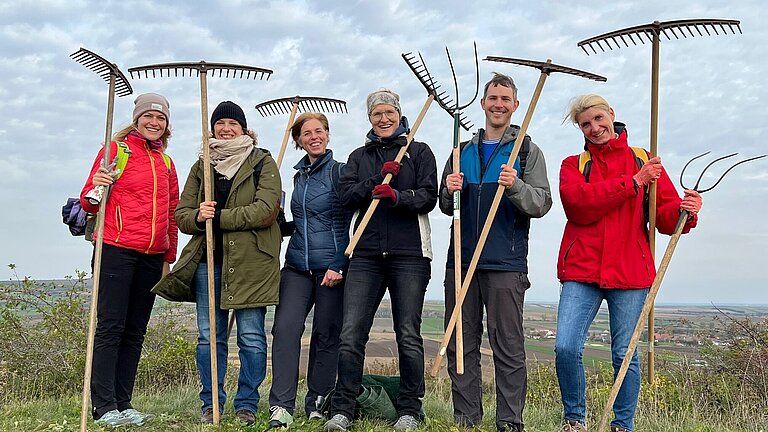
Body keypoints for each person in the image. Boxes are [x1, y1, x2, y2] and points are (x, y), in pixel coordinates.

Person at [554, 94, 703, 432]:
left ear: (611, 114)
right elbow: (579, 206)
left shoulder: (643, 160)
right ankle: (574, 420)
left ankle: (622, 425)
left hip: (631, 271)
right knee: (565, 346)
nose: (594, 128)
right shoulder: (573, 165)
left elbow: (663, 219)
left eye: (598, 118)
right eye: (585, 124)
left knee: (625, 354)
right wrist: (633, 183)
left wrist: (685, 211)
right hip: (582, 269)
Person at [152, 101, 282, 425]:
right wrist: (198, 216)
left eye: (232, 124)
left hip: (253, 264)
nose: (225, 129)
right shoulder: (202, 166)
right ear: (212, 129)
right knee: (210, 338)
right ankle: (212, 405)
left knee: (251, 337)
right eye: (219, 123)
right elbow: (181, 214)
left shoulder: (261, 161)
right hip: (208, 263)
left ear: (243, 128)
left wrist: (218, 217)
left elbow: (265, 210)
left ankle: (247, 405)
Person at [440, 72, 552, 432]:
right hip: (461, 261)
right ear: (484, 103)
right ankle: (467, 420)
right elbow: (447, 206)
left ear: (515, 105)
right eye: (493, 98)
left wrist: (516, 185)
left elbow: (542, 203)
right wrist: (449, 188)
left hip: (505, 263)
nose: (498, 104)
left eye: (505, 99)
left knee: (507, 347)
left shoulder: (526, 152)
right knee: (461, 343)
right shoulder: (462, 152)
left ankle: (509, 422)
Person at [323, 89, 438, 432]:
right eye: (377, 114)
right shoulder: (358, 156)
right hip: (365, 255)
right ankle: (343, 409)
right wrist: (376, 181)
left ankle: (410, 410)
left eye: (389, 112)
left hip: (410, 255)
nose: (384, 119)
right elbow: (345, 196)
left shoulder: (418, 152)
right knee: (351, 333)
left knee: (407, 333)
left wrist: (398, 195)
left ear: (399, 115)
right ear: (370, 119)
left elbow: (429, 196)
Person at [80, 92, 179, 427]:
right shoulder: (115, 151)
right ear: (137, 120)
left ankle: (124, 403)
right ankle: (103, 406)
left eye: (161, 118)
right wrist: (98, 185)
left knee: (135, 330)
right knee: (110, 328)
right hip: (115, 248)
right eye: (148, 117)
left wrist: (168, 255)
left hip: (152, 255)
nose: (154, 122)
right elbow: (89, 203)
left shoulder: (167, 163)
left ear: (166, 125)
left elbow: (173, 215)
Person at [267, 112, 352, 428]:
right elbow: (302, 223)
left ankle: (317, 401)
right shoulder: (296, 177)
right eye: (307, 133)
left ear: (328, 135)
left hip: (330, 268)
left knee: (326, 335)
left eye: (319, 131)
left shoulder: (340, 173)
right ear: (299, 141)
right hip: (296, 266)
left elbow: (349, 222)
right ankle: (281, 406)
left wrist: (339, 263)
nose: (314, 136)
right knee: (285, 329)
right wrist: (276, 220)